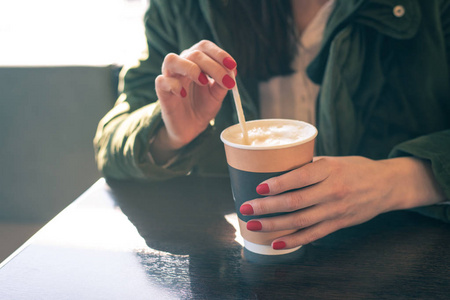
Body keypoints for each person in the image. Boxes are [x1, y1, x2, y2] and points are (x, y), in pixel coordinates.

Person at [94, 0, 450, 251]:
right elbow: (111, 141)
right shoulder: (183, 7)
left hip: (399, 252)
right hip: (241, 262)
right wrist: (171, 130)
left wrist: (397, 180)